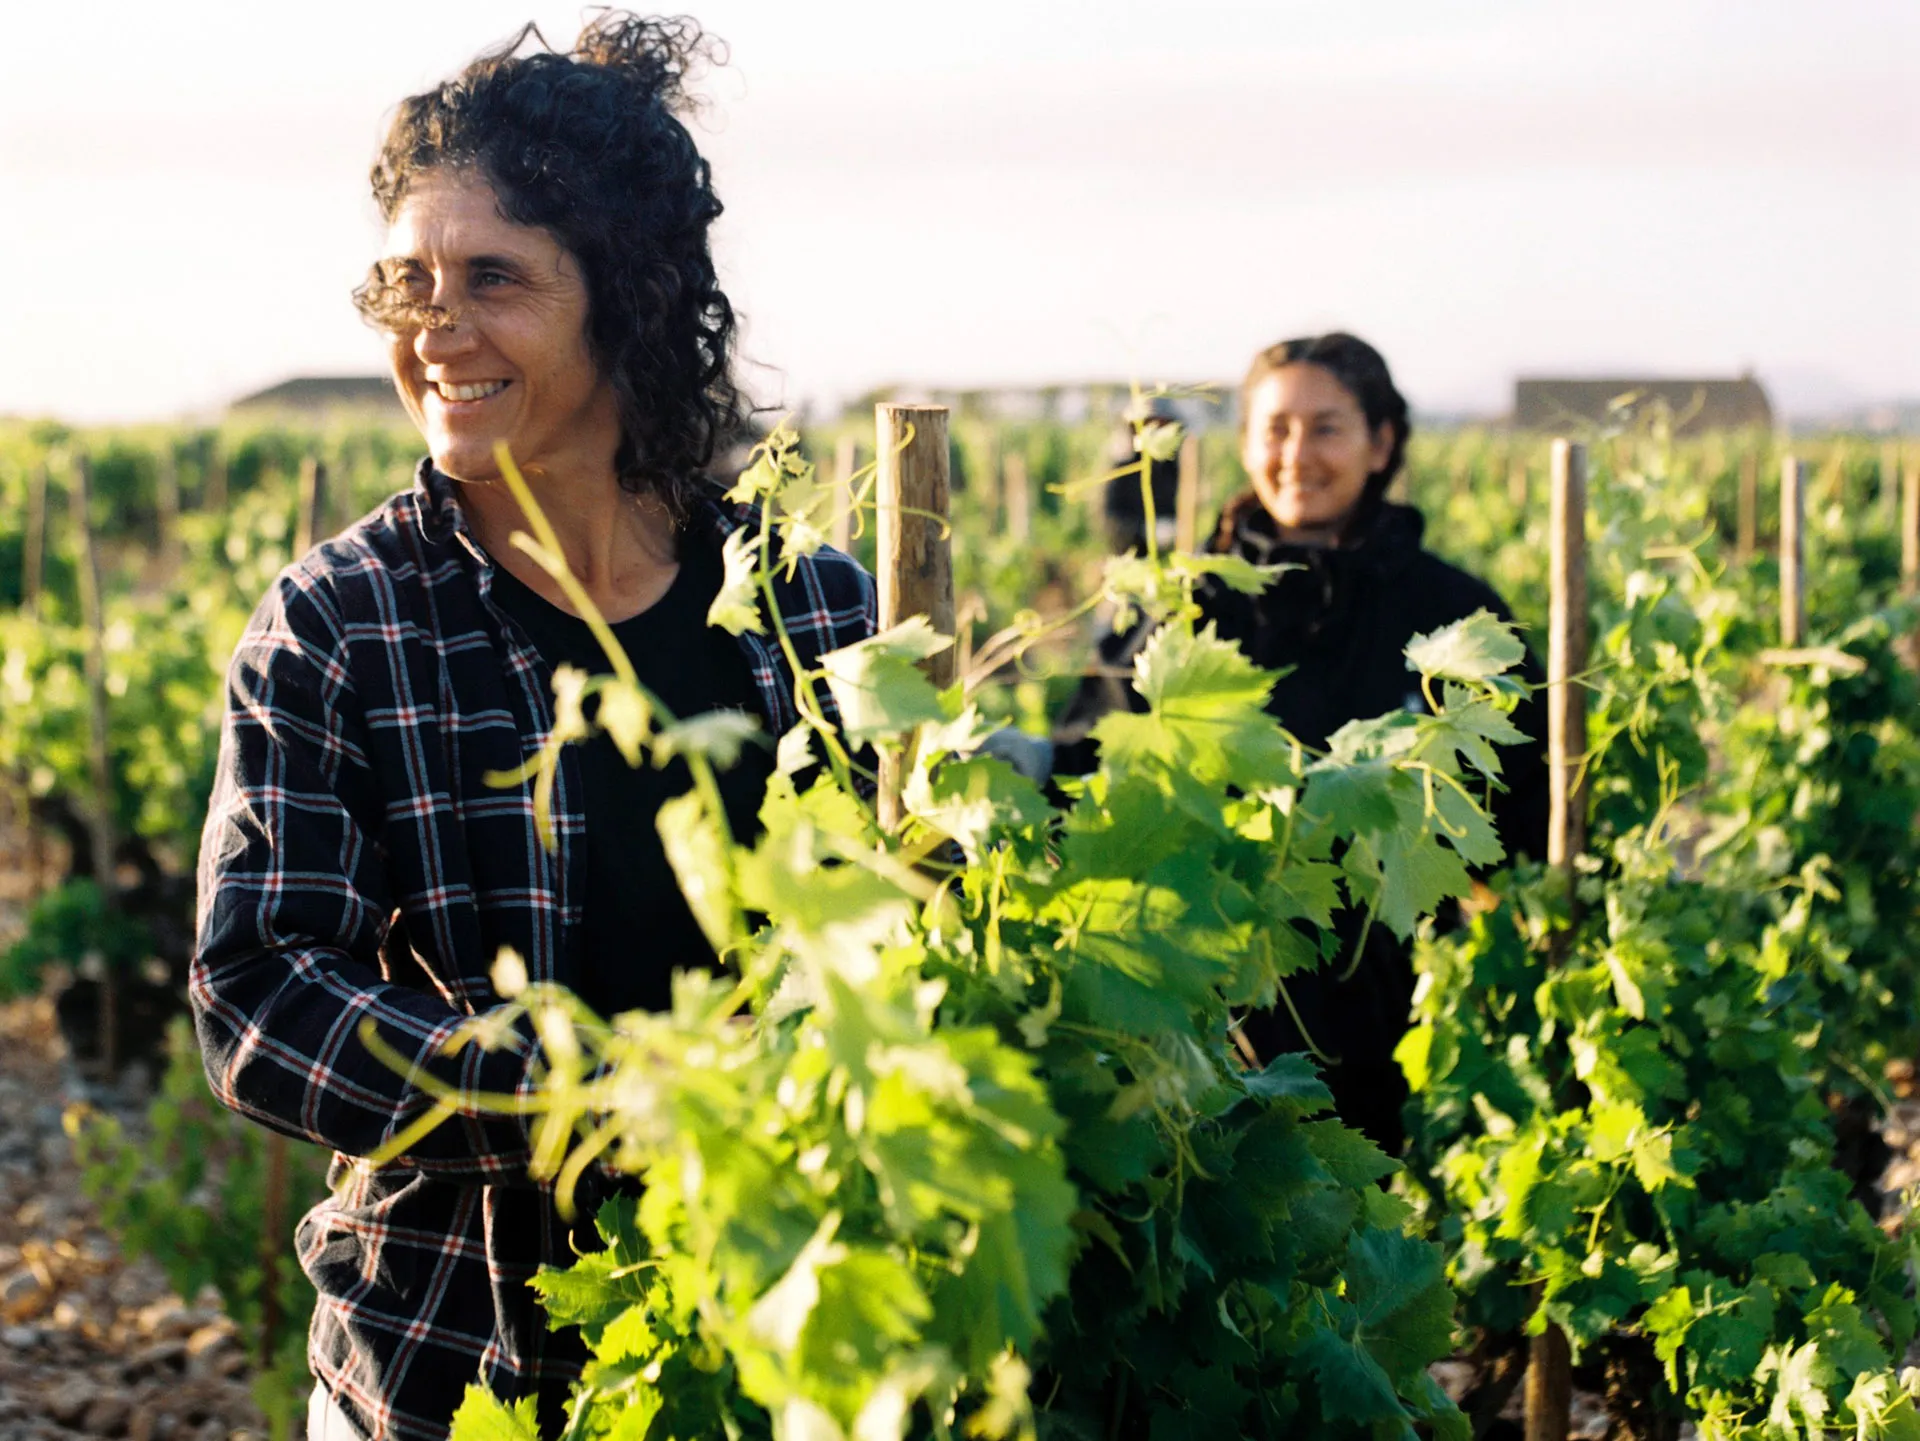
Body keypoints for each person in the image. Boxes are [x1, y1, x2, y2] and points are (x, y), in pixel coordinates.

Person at [189, 17, 874, 1440]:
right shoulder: (340, 622)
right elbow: (260, 993)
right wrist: (589, 1098)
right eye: (405, 282)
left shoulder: (813, 606)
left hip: (784, 1344)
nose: (433, 329)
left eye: (491, 279)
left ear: (624, 298)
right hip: (452, 1360)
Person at [1051, 332, 1548, 1156]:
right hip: (1199, 1025)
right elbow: (1094, 756)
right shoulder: (1191, 601)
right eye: (1275, 428)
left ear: (1381, 442)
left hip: (1395, 1029)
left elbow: (1520, 829)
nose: (1295, 454)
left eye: (1326, 428)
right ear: (1245, 441)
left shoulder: (1457, 616)